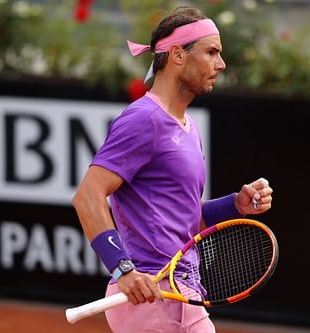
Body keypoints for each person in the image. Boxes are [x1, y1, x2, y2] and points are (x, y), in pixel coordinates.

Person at [72, 6, 273, 333]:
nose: (221, 64)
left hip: (177, 293)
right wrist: (123, 270)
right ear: (178, 55)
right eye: (211, 52)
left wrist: (235, 204)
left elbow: (181, 220)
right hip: (153, 296)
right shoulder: (143, 120)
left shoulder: (187, 127)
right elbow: (87, 197)